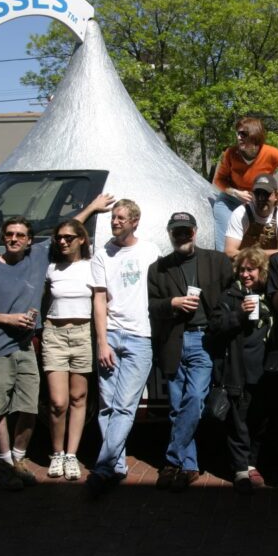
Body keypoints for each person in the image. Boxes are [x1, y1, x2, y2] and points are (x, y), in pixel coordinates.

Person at [0, 193, 112, 491]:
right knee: (19, 406)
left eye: (20, 235)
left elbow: (69, 230)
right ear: (3, 237)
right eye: (9, 234)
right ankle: (10, 461)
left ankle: (28, 458)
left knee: (31, 406)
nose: (14, 239)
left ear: (30, 240)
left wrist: (92, 207)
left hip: (35, 344)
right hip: (9, 343)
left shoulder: (42, 257)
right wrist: (8, 319)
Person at [148, 211, 234, 492]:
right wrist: (172, 302)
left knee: (195, 399)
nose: (182, 236)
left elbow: (232, 295)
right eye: (177, 231)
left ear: (195, 232)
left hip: (203, 341)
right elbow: (150, 306)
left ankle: (171, 460)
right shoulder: (158, 268)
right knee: (176, 408)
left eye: (186, 231)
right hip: (173, 340)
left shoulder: (217, 261)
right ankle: (190, 467)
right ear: (170, 234)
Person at [86, 198, 161, 496]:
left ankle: (103, 467)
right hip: (112, 336)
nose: (114, 222)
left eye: (120, 218)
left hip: (141, 337)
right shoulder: (102, 253)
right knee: (106, 406)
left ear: (134, 222)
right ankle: (116, 466)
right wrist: (102, 342)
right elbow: (99, 300)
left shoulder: (149, 251)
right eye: (113, 218)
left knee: (125, 406)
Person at [208, 246, 274, 494]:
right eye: (243, 270)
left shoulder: (269, 295)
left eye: (252, 269)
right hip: (238, 369)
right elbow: (215, 326)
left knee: (259, 419)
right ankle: (240, 470)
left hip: (265, 369)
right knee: (239, 420)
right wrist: (238, 314)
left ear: (261, 271)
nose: (246, 274)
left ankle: (251, 461)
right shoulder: (230, 296)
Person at [42, 218, 95, 481]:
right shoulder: (51, 267)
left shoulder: (92, 267)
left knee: (78, 398)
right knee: (57, 402)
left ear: (82, 239)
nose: (63, 241)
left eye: (69, 237)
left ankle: (72, 455)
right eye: (59, 238)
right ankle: (57, 453)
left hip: (84, 334)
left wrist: (94, 207)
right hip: (55, 335)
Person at [212, 116, 278, 251]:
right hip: (230, 201)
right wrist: (236, 193)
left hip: (259, 203)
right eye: (237, 133)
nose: (239, 137)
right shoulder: (230, 154)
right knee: (225, 245)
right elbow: (218, 180)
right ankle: (223, 267)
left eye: (243, 134)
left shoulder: (271, 153)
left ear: (255, 136)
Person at [223, 173, 278, 258]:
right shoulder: (241, 214)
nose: (261, 198)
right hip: (244, 267)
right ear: (252, 194)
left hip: (269, 267)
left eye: (266, 194)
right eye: (257, 193)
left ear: (276, 196)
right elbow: (229, 252)